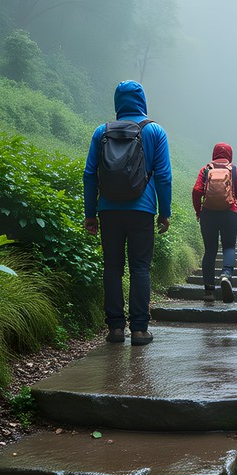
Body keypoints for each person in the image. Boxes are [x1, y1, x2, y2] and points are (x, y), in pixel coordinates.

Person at [83, 80, 171, 346]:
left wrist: (90, 213)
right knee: (140, 267)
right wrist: (164, 212)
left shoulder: (102, 131)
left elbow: (89, 174)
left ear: (117, 102)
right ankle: (140, 330)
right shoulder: (155, 131)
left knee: (112, 267)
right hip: (142, 210)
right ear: (142, 99)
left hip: (108, 210)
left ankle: (116, 329)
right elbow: (164, 176)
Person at [192, 143, 237, 303]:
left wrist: (199, 211)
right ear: (230, 154)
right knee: (229, 246)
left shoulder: (206, 170)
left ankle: (209, 291)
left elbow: (197, 191)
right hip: (229, 213)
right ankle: (226, 275)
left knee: (210, 250)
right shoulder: (234, 170)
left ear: (214, 153)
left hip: (208, 214)